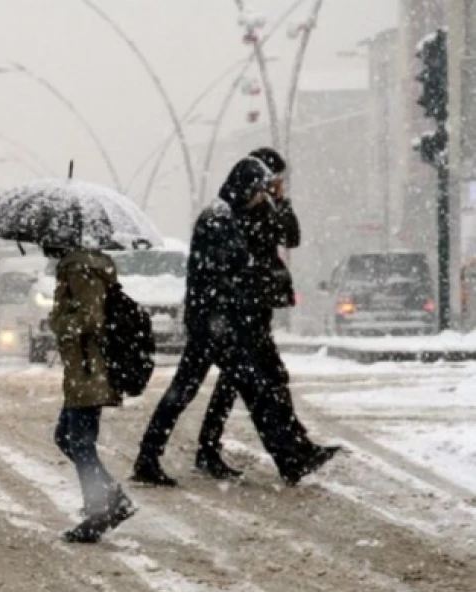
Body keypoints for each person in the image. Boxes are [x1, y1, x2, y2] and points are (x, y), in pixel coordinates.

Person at [132, 157, 341, 487]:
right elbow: (223, 274)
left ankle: (287, 458)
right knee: (237, 390)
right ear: (244, 187)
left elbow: (249, 258)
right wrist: (238, 299)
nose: (262, 197)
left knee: (218, 390)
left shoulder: (225, 214)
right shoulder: (219, 219)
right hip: (215, 324)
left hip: (216, 322)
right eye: (258, 190)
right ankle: (286, 458)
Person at [195, 148, 300, 479]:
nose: (277, 184)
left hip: (257, 303)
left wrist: (281, 202)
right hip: (244, 305)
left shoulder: (266, 206)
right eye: (274, 179)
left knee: (241, 380)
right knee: (259, 378)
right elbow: (242, 255)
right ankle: (291, 451)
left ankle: (290, 450)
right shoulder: (239, 209)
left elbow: (292, 238)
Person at [48, 241, 136, 543]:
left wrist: (59, 322)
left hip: (89, 369)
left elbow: (91, 318)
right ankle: (110, 499)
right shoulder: (81, 266)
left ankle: (101, 510)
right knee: (67, 438)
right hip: (84, 371)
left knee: (80, 443)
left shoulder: (79, 269)